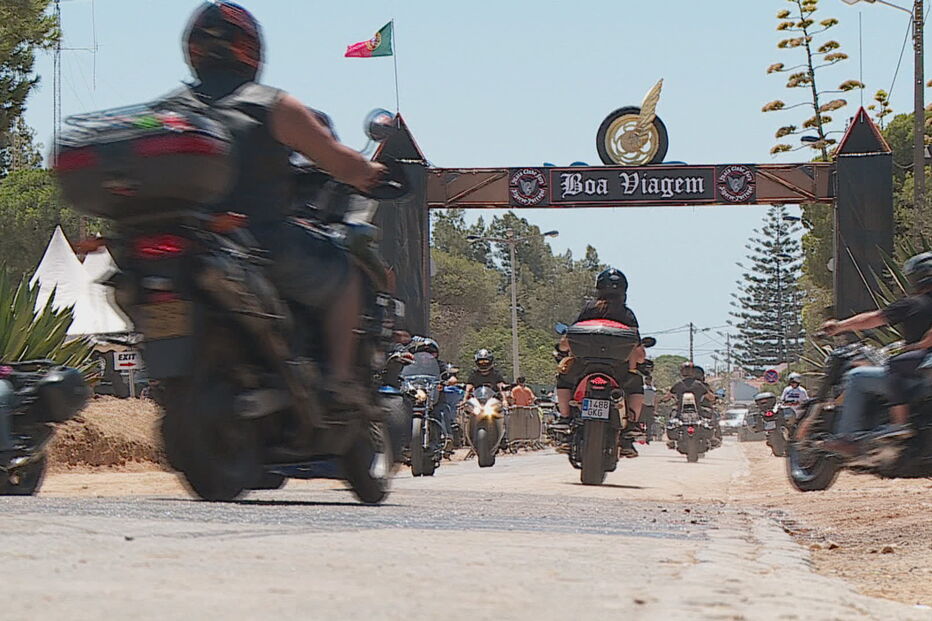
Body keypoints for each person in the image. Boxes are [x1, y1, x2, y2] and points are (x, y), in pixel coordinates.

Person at [175, 2, 384, 413]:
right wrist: (370, 173)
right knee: (347, 278)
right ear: (249, 50)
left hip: (190, 242)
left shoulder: (170, 109)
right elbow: (338, 161)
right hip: (260, 241)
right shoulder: (270, 105)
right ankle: (339, 380)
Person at [821, 252, 932, 454]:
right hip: (921, 373)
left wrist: (839, 326)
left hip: (915, 374)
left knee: (857, 376)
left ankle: (847, 437)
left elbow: (871, 319)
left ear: (916, 278)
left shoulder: (912, 304)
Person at [555, 267, 646, 457]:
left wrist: (563, 349)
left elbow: (568, 340)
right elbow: (639, 352)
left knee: (563, 378)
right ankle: (630, 429)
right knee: (636, 383)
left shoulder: (589, 309)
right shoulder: (627, 314)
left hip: (583, 369)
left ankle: (564, 419)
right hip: (617, 372)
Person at [641, 373, 657, 445]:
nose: (648, 381)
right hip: (642, 406)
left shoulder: (654, 390)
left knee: (649, 423)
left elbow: (655, 400)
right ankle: (641, 437)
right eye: (646, 379)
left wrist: (655, 409)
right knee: (641, 422)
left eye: (649, 379)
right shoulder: (642, 388)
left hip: (650, 407)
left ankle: (648, 438)